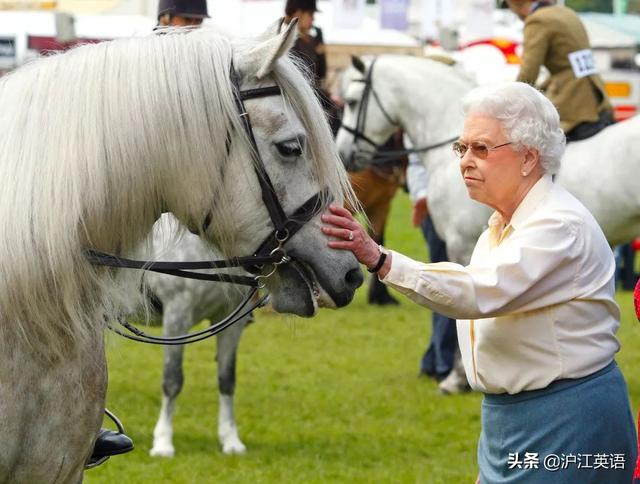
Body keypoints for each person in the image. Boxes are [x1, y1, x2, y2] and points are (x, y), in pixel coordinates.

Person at [322, 81, 636, 483]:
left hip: (566, 418)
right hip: (511, 420)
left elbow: (476, 292)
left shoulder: (559, 226)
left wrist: (381, 259)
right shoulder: (500, 225)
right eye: (461, 148)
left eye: (481, 149)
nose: (465, 161)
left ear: (528, 158)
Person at [504, 0, 613, 142]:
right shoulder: (568, 13)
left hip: (572, 103)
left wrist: (508, 103)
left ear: (516, 4)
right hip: (597, 96)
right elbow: (565, 66)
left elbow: (528, 74)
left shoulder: (537, 20)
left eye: (512, 9)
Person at [406, 154, 458, 383]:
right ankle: (443, 363)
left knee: (444, 281)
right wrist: (422, 196)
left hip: (444, 205)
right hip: (436, 208)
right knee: (446, 282)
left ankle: (434, 358)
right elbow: (416, 162)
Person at [284, 0, 340, 133]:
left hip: (314, 96)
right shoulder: (288, 41)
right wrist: (329, 99)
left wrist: (320, 46)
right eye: (310, 14)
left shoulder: (309, 40)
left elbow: (321, 74)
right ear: (298, 13)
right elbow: (302, 80)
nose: (313, 19)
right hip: (298, 102)